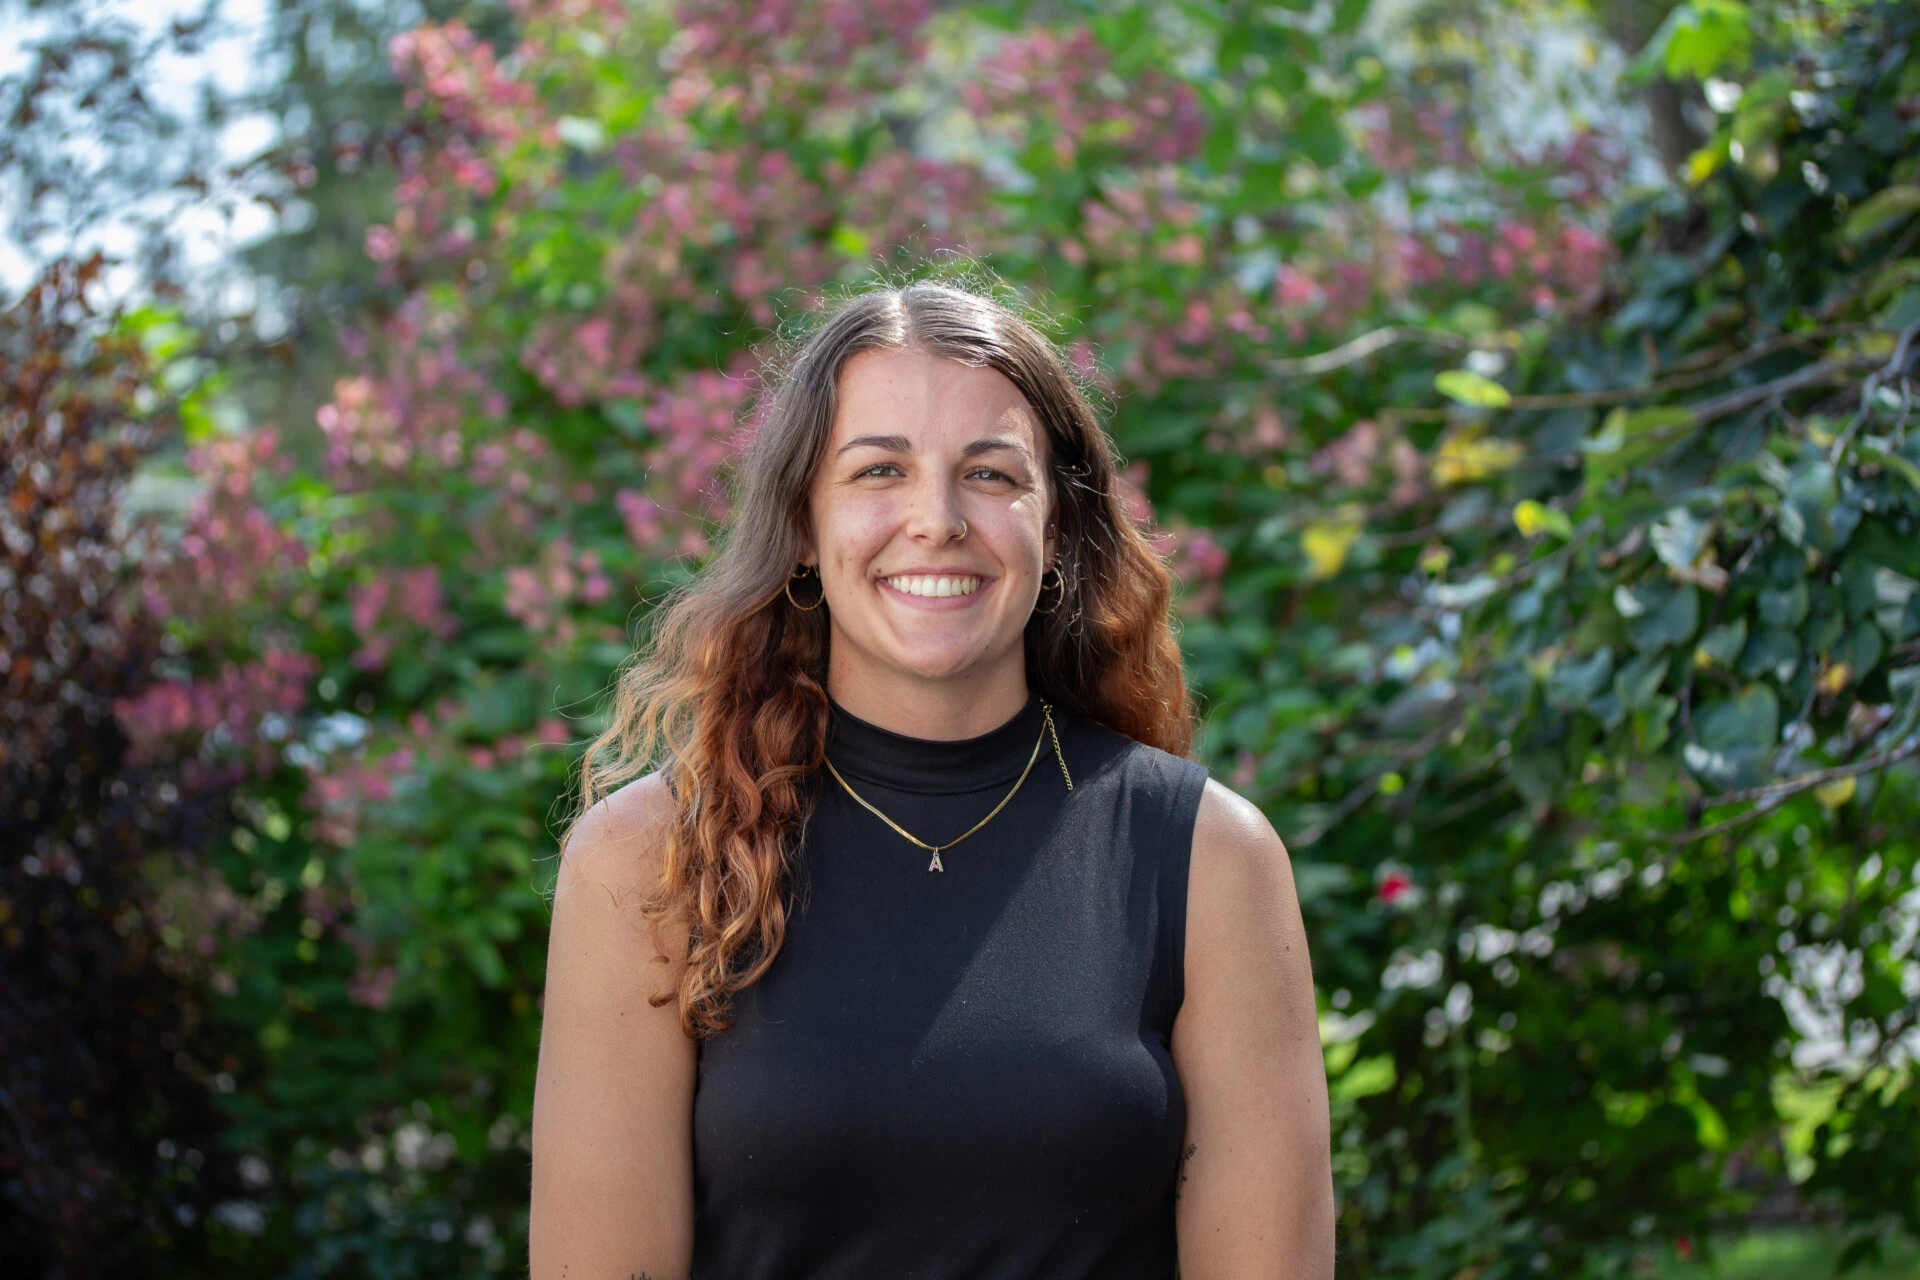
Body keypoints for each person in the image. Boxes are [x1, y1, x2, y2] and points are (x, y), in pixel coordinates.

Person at [529, 280, 1333, 1279]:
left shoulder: (1208, 859)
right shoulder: (646, 858)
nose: (936, 518)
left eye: (991, 474)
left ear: (1057, 536)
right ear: (806, 529)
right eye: (879, 470)